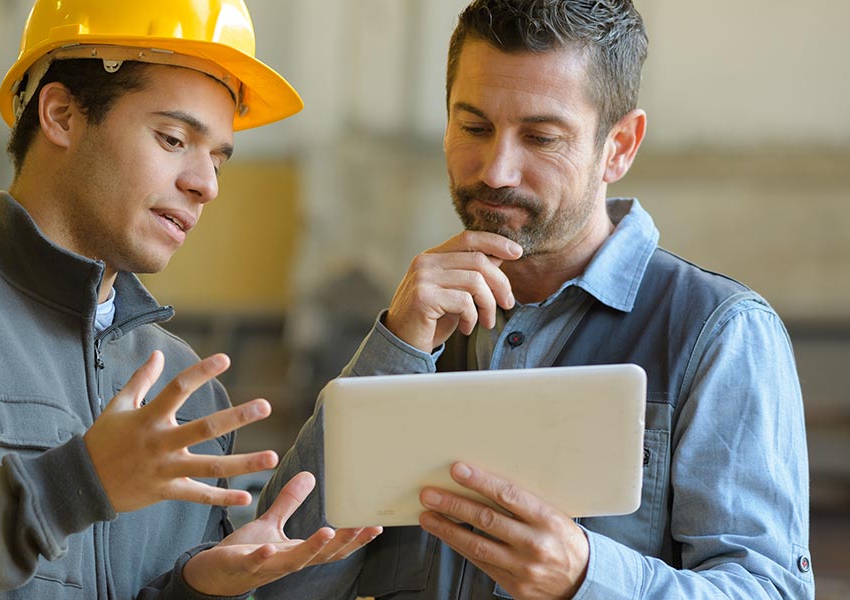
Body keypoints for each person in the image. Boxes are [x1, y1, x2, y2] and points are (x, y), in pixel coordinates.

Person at [0, 0, 381, 598]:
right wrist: (75, 485)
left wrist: (198, 591)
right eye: (172, 139)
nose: (205, 184)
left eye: (219, 158)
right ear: (60, 115)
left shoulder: (186, 391)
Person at [256, 0, 814, 598]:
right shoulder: (409, 327)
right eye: (473, 127)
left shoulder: (719, 334)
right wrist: (394, 351)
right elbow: (274, 581)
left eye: (541, 137)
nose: (496, 170)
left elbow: (769, 590)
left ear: (620, 145)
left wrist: (586, 575)